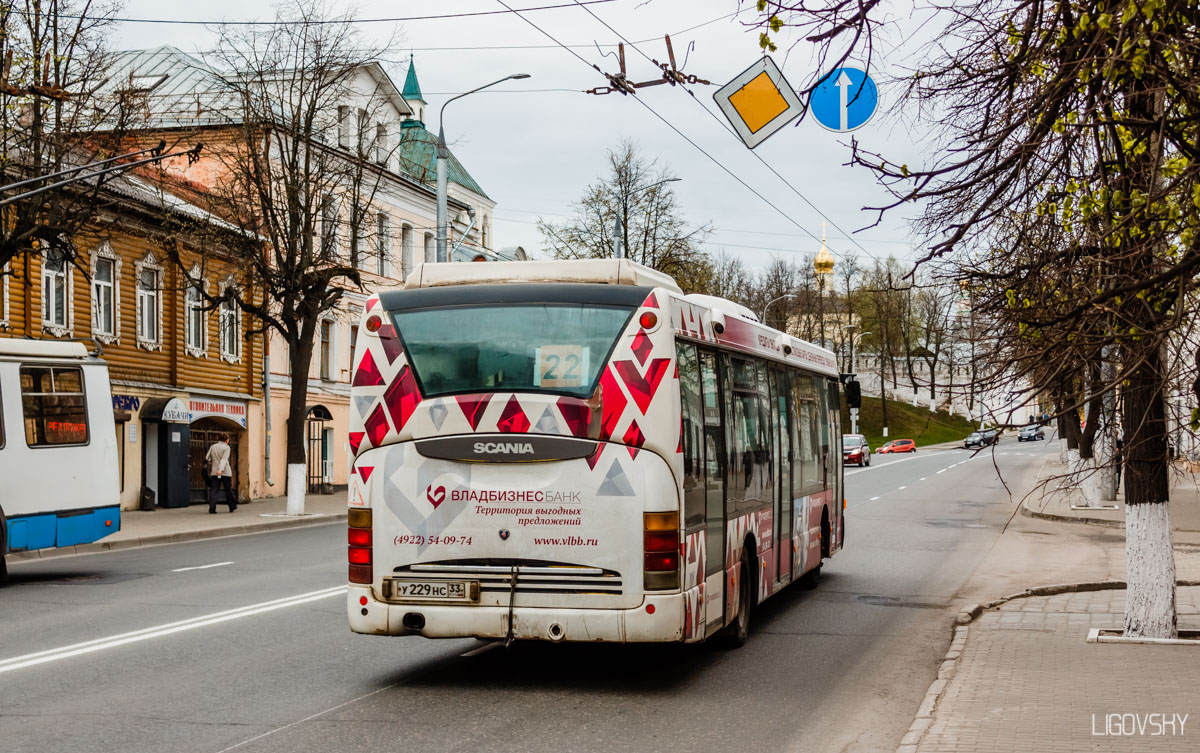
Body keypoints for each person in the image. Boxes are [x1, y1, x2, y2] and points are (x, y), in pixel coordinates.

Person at [205, 433, 238, 513]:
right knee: (228, 490)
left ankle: (212, 509)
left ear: (219, 439)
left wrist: (213, 462)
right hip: (225, 472)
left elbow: (207, 457)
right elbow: (224, 459)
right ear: (227, 440)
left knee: (214, 490)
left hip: (214, 472)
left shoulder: (213, 446)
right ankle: (232, 506)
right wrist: (220, 469)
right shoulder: (226, 447)